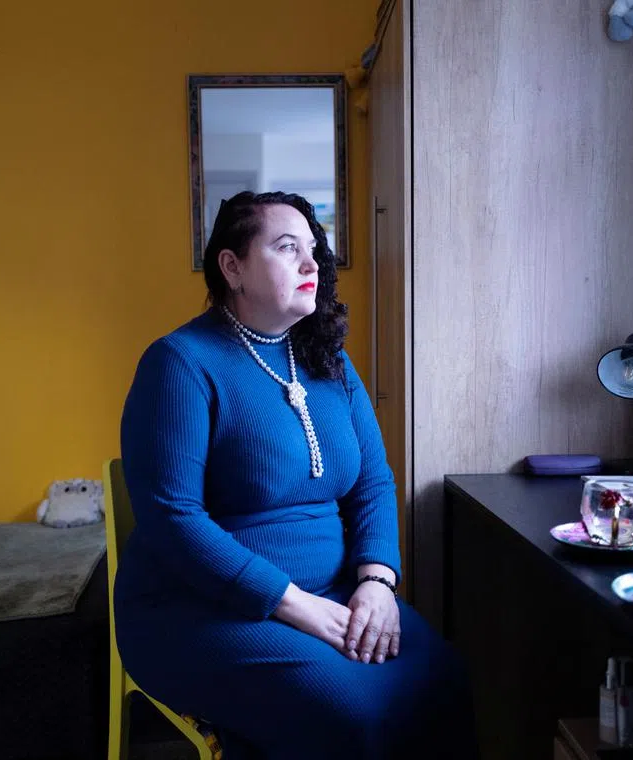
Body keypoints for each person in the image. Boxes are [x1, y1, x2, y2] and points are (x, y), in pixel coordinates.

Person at [114, 191, 479, 759]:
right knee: (354, 716)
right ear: (232, 267)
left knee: (445, 681)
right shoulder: (180, 363)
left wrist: (377, 583)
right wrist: (294, 604)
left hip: (335, 593)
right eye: (288, 248)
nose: (313, 263)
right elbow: (172, 519)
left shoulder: (327, 357)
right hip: (198, 609)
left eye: (314, 249)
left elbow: (373, 481)